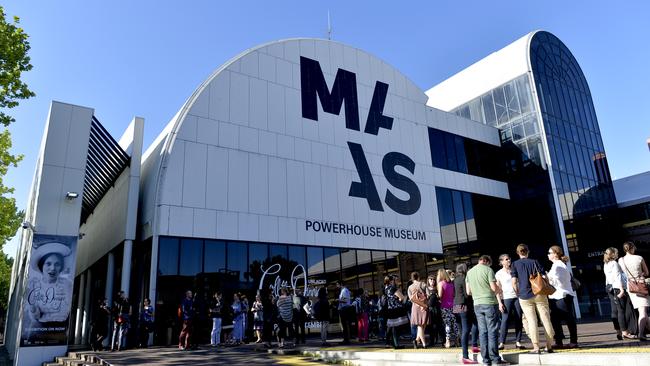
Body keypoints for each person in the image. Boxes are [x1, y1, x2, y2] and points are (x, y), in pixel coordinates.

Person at [511, 244, 555, 354]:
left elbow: (514, 282)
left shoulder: (515, 264)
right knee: (545, 319)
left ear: (518, 253)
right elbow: (545, 277)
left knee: (531, 321)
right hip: (539, 293)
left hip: (524, 295)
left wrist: (518, 293)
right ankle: (549, 345)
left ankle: (536, 347)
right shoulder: (535, 262)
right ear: (528, 251)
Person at [466, 255, 508, 365]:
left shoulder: (469, 272)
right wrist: (500, 288)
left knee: (483, 331)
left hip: (477, 304)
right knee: (492, 331)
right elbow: (494, 288)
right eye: (489, 263)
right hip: (489, 303)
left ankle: (486, 360)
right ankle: (495, 359)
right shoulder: (488, 270)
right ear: (486, 261)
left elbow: (468, 292)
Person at [25, 242, 73, 331]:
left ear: (61, 267)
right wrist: (34, 309)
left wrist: (44, 312)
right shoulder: (33, 284)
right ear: (41, 265)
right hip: (38, 328)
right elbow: (35, 316)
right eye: (48, 264)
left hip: (60, 328)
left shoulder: (67, 284)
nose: (53, 268)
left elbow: (64, 312)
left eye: (57, 264)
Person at [546, 245, 578, 348]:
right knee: (555, 319)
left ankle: (573, 341)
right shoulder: (556, 265)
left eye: (550, 253)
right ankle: (559, 341)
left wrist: (547, 278)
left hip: (562, 295)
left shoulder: (558, 265)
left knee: (568, 318)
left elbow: (559, 281)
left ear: (555, 254)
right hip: (558, 296)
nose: (548, 255)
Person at [618, 241, 649, 340]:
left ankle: (644, 331)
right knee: (643, 311)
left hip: (630, 288)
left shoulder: (621, 260)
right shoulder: (639, 258)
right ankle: (641, 334)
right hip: (641, 286)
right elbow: (647, 272)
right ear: (633, 248)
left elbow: (622, 275)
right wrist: (640, 275)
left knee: (642, 311)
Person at [603, 247, 636, 340]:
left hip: (609, 287)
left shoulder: (606, 264)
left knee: (614, 311)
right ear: (613, 254)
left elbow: (608, 278)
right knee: (621, 310)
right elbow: (617, 277)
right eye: (616, 253)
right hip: (617, 287)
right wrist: (621, 289)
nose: (617, 254)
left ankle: (618, 332)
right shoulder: (614, 263)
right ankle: (625, 332)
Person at [495, 254, 525, 350]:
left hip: (517, 297)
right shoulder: (498, 273)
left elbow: (519, 282)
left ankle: (518, 341)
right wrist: (499, 302)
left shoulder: (514, 270)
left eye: (509, 259)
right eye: (506, 259)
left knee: (518, 318)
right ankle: (501, 342)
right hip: (506, 297)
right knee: (505, 320)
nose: (508, 261)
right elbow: (497, 289)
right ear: (501, 262)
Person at [454, 263, 479, 363]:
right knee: (468, 328)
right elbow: (467, 293)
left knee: (462, 330)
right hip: (463, 304)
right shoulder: (464, 278)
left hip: (455, 305)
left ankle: (472, 347)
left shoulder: (455, 279)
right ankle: (466, 355)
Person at [384, 275, 407, 349]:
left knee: (393, 326)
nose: (398, 281)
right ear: (392, 281)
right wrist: (405, 297)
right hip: (396, 309)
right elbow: (402, 298)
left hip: (390, 309)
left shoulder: (386, 288)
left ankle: (393, 343)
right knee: (397, 327)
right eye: (396, 280)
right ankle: (396, 344)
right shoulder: (393, 288)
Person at [437, 269, 457, 348]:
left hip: (444, 306)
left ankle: (448, 341)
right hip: (453, 305)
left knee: (447, 323)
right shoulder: (451, 284)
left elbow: (440, 295)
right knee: (454, 323)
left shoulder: (440, 283)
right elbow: (453, 294)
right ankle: (457, 340)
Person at [407, 272, 428, 348]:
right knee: (422, 325)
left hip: (415, 307)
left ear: (412, 278)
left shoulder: (410, 287)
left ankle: (416, 340)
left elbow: (411, 299)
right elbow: (428, 295)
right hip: (423, 306)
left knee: (420, 325)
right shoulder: (423, 284)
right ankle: (424, 344)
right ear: (418, 277)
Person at [426, 274, 444, 346]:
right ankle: (432, 342)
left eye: (433, 279)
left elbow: (440, 297)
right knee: (431, 327)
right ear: (428, 281)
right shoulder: (426, 288)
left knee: (439, 325)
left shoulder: (437, 288)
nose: (432, 281)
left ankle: (443, 341)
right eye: (431, 279)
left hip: (437, 309)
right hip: (430, 310)